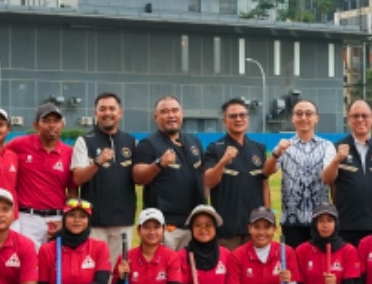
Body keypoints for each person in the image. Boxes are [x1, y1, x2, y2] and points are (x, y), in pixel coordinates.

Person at [323, 99, 372, 246]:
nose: (360, 120)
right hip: (346, 224)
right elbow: (327, 179)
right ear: (349, 119)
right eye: (355, 116)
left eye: (364, 116)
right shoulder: (335, 148)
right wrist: (337, 160)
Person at [133, 95, 207, 249]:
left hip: (193, 223)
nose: (171, 115)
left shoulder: (194, 142)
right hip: (166, 225)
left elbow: (203, 177)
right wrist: (159, 164)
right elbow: (138, 177)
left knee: (190, 270)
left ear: (182, 114)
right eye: (164, 112)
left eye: (175, 111)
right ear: (156, 117)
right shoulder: (148, 144)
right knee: (163, 271)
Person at [72, 92, 137, 257]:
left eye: (112, 109)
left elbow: (140, 177)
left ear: (120, 113)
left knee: (119, 275)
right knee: (94, 273)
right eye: (102, 109)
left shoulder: (131, 142)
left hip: (124, 221)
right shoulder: (84, 141)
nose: (107, 113)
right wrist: (97, 162)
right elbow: (78, 178)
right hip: (94, 223)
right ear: (96, 113)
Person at [265, 99, 336, 248]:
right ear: (293, 118)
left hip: (319, 219)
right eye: (299, 114)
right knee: (293, 266)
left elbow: (329, 178)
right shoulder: (284, 145)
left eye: (308, 114)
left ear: (316, 118)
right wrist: (277, 153)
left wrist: (337, 160)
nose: (304, 118)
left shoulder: (327, 146)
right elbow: (267, 172)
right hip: (291, 220)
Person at [204, 98, 269, 249]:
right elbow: (209, 181)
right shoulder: (215, 149)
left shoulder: (258, 148)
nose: (238, 119)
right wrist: (223, 161)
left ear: (248, 118)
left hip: (254, 228)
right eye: (233, 116)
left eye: (242, 115)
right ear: (224, 120)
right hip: (227, 229)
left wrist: (267, 216)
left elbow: (264, 185)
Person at [6, 102, 75, 246]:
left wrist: (66, 219)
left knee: (54, 265)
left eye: (56, 121)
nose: (52, 125)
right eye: (46, 121)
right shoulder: (19, 145)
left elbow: (72, 191)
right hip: (27, 218)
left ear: (62, 125)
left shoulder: (69, 152)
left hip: (56, 218)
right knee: (29, 264)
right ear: (35, 125)